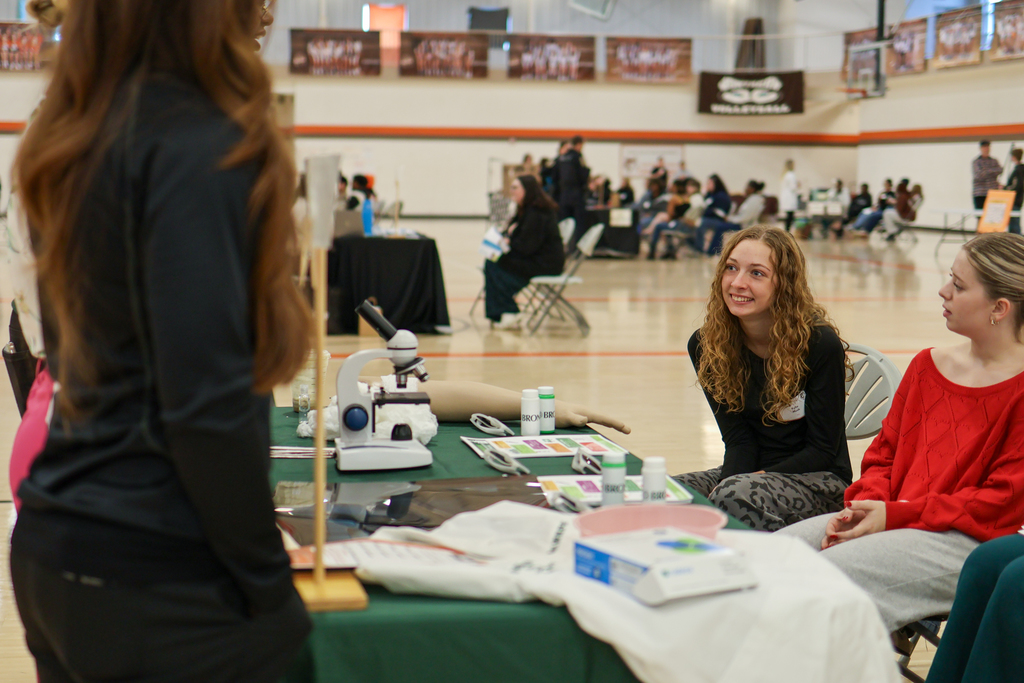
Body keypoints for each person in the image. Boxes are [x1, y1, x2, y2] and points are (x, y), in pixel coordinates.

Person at [10, 1, 317, 681]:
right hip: (153, 574)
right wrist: (269, 586)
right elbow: (205, 405)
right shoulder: (197, 142)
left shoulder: (76, 130)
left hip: (55, 550)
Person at [777, 233, 1024, 634]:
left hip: (968, 541)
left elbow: (999, 503)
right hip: (894, 515)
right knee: (771, 557)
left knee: (819, 584)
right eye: (949, 278)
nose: (943, 291)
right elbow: (882, 455)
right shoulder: (927, 365)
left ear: (999, 308)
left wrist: (894, 516)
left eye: (958, 286)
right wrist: (867, 507)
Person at [674, 226, 852, 531]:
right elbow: (738, 440)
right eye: (731, 268)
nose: (738, 283)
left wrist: (747, 482)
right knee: (666, 494)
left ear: (783, 284)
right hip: (750, 477)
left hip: (818, 480)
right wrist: (731, 482)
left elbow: (822, 450)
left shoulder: (819, 344)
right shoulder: (707, 345)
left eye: (756, 273)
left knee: (733, 496)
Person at [484, 174, 564, 329]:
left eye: (515, 188)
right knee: (492, 259)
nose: (512, 191)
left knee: (494, 263)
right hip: (534, 258)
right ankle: (501, 312)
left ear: (527, 190)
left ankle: (509, 311)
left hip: (544, 263)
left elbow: (527, 246)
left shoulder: (538, 212)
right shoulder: (526, 210)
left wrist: (508, 243)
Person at [693, 180, 765, 255]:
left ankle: (713, 251)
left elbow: (745, 218)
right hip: (740, 222)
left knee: (719, 227)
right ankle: (712, 250)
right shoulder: (753, 199)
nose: (745, 189)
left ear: (752, 189)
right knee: (717, 226)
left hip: (744, 225)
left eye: (747, 187)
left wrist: (730, 219)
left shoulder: (754, 200)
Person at [647, 177, 703, 260]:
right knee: (665, 226)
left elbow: (671, 214)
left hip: (681, 224)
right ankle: (670, 250)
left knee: (659, 226)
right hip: (687, 225)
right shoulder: (690, 198)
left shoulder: (675, 199)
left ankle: (652, 251)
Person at [552, 135, 589, 249]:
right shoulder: (577, 157)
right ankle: (576, 248)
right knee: (579, 224)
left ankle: (563, 247)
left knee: (564, 224)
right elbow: (583, 176)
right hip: (576, 196)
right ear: (579, 145)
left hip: (563, 196)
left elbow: (554, 178)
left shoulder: (561, 158)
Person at [972, 140, 1003, 210]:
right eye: (984, 147)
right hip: (980, 193)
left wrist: (986, 171)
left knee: (993, 216)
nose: (986, 149)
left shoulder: (994, 161)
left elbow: (1000, 170)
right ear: (981, 148)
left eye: (988, 147)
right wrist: (992, 171)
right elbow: (979, 175)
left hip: (993, 193)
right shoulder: (976, 162)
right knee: (980, 216)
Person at [1004, 147, 1023, 235]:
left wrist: (1006, 188)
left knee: (1014, 223)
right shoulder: (1020, 169)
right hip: (1018, 199)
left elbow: (1017, 186)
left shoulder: (1018, 170)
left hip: (1014, 200)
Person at [779, 159, 800, 231]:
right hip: (790, 198)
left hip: (786, 197)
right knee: (790, 216)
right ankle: (787, 231)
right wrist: (798, 185)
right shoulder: (791, 175)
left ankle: (787, 231)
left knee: (788, 216)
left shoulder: (785, 174)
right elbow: (793, 187)